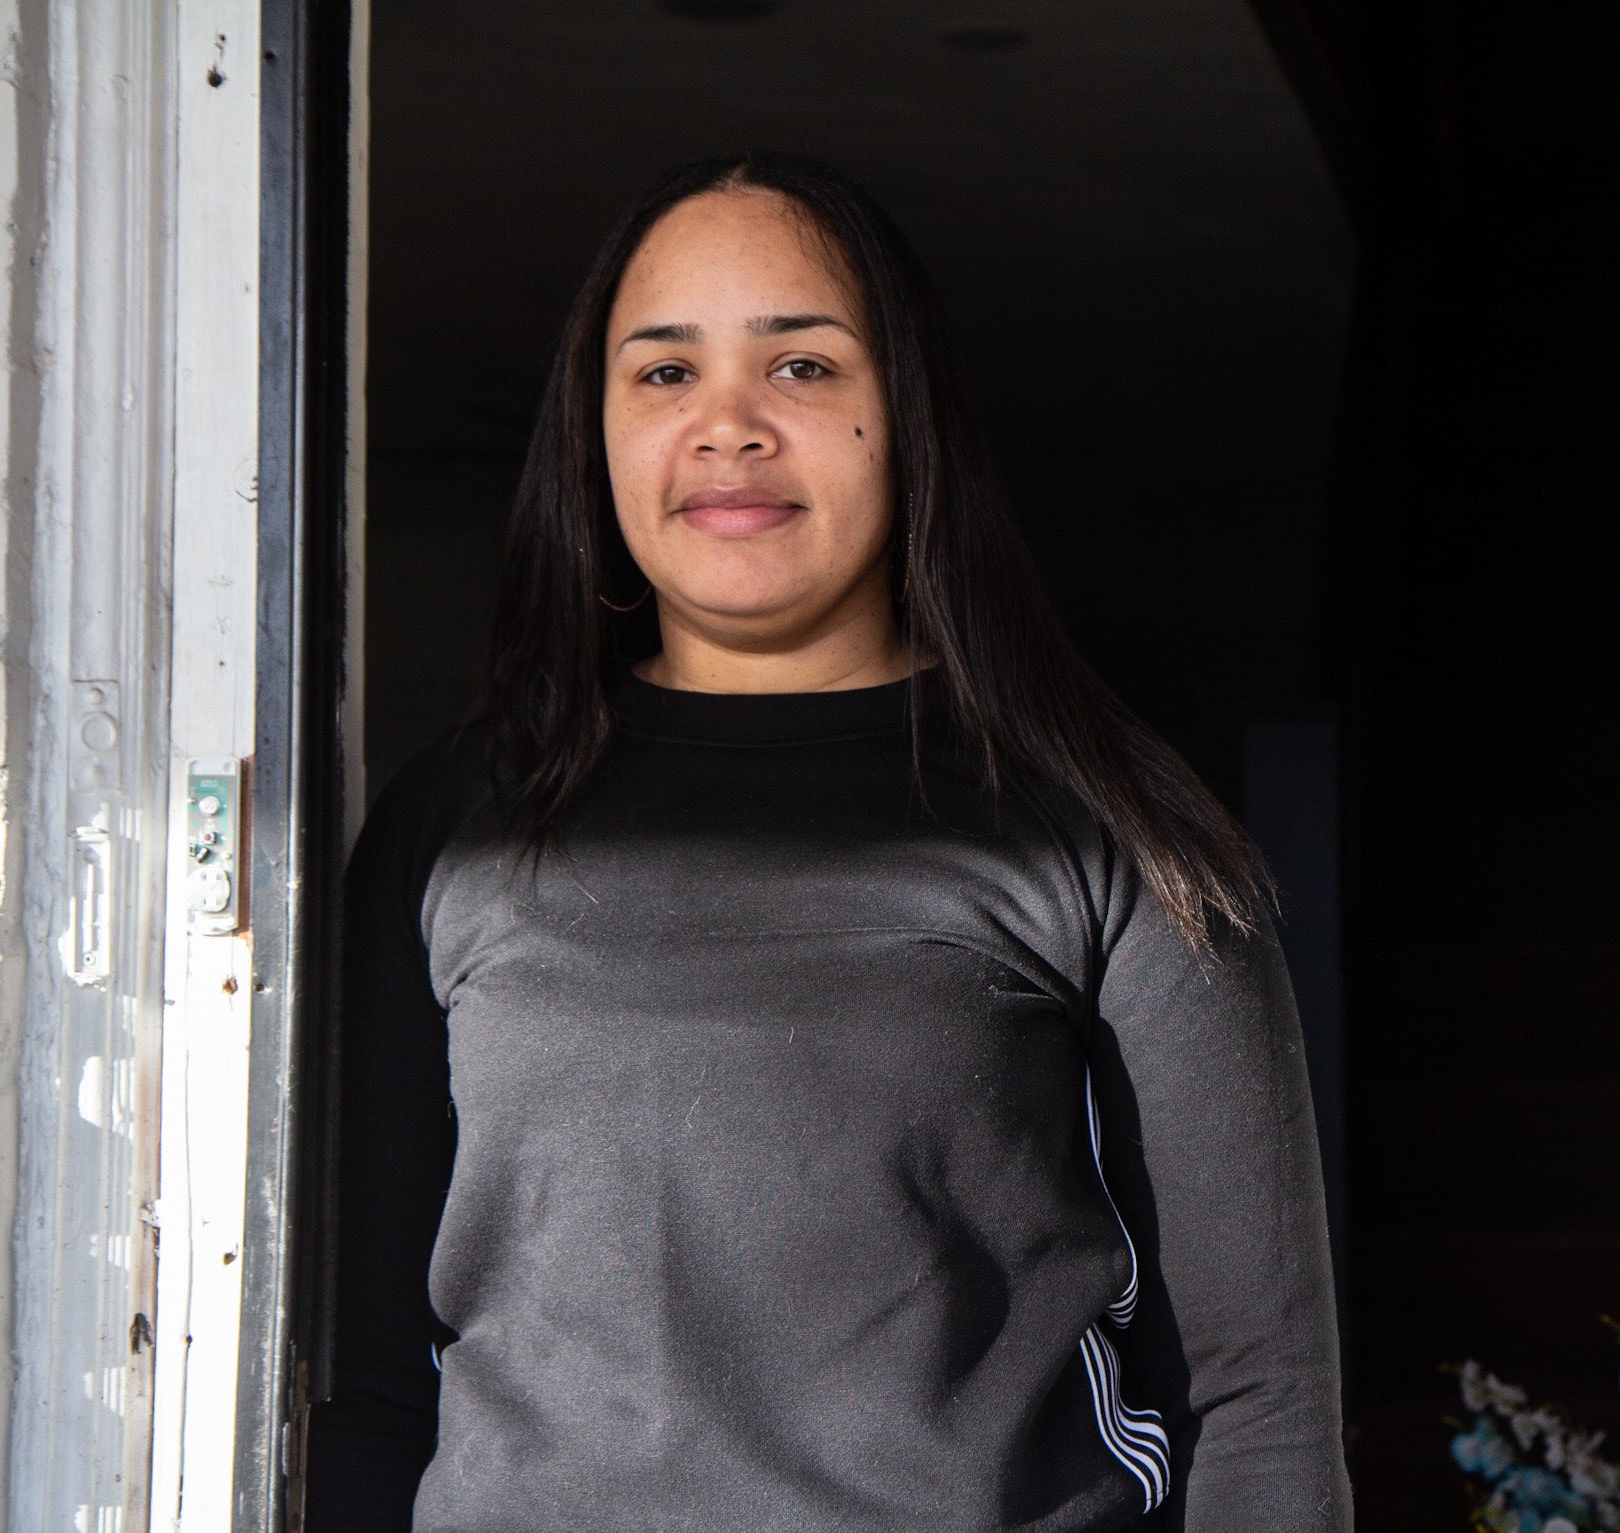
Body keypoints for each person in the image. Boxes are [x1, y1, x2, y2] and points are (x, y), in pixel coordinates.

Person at [306, 151, 1350, 1532]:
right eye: (664, 373)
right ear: (594, 435)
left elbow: (1260, 1398)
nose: (729, 426)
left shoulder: (1106, 827)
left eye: (802, 368)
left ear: (908, 417)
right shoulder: (455, 830)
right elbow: (372, 1388)